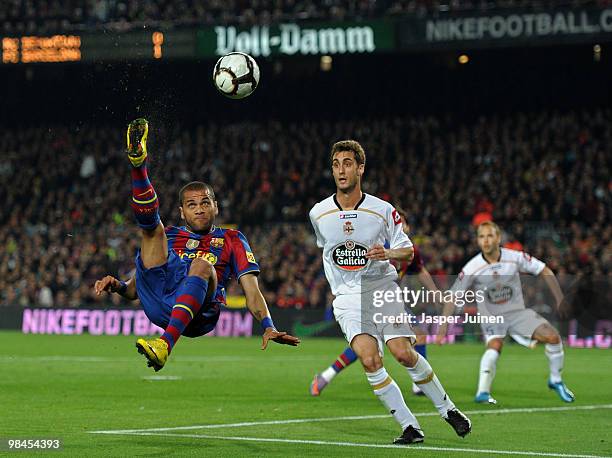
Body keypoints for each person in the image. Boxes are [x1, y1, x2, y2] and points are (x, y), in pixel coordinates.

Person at [94, 118, 299, 371]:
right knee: (153, 230)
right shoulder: (170, 235)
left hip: (200, 315)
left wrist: (268, 326)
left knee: (201, 265)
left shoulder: (232, 239)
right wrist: (118, 286)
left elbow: (252, 292)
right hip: (160, 301)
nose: (199, 210)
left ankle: (164, 345)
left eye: (205, 203)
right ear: (182, 212)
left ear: (216, 206)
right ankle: (138, 165)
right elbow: (135, 290)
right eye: (192, 205)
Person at [308, 140, 471, 445]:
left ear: (360, 168)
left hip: (382, 288)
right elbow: (328, 251)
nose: (341, 170)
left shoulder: (383, 210)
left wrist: (389, 253)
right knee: (369, 360)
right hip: (346, 298)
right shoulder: (318, 214)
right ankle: (410, 426)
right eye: (335, 164)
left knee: (401, 352)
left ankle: (447, 409)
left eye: (347, 163)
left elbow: (408, 249)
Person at [438, 221, 575, 404]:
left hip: (517, 313)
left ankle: (555, 380)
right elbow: (453, 297)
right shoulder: (472, 267)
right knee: (495, 346)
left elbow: (544, 270)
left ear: (498, 238)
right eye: (481, 237)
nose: (485, 241)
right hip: (491, 316)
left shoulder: (514, 257)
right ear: (478, 241)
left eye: (489, 236)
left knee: (553, 337)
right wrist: (443, 325)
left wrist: (559, 298)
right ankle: (483, 393)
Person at [310, 210, 437, 397]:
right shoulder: (377, 245)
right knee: (384, 342)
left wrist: (435, 293)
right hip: (366, 298)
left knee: (372, 344)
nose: (399, 226)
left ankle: (325, 377)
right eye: (396, 222)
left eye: (403, 222)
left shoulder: (409, 251)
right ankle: (420, 384)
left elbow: (420, 269)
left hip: (387, 300)